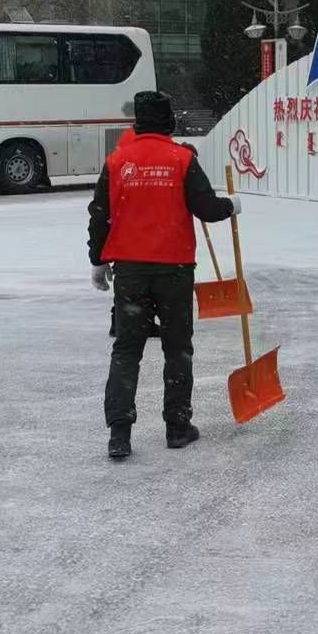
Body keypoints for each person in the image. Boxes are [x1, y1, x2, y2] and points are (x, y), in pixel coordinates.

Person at [88, 90, 238, 461]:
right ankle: (177, 426)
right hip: (174, 270)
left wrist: (97, 260)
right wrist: (231, 206)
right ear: (169, 121)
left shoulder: (117, 161)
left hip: (130, 272)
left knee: (127, 350)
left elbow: (100, 214)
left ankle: (119, 434)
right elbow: (206, 208)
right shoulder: (181, 159)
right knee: (177, 348)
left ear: (137, 122)